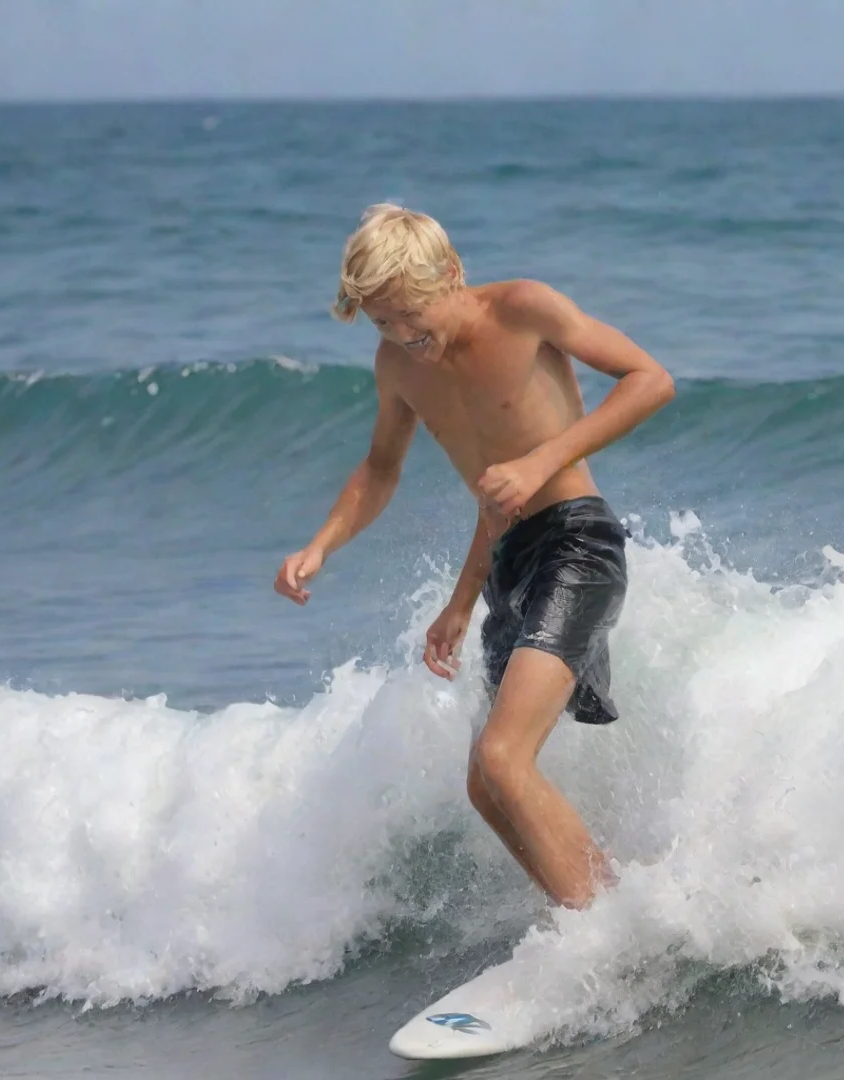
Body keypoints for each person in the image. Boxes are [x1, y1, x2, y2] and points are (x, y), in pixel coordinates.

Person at [273, 204, 675, 909]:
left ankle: (606, 926)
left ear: (450, 274)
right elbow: (380, 470)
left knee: (502, 757)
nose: (403, 337)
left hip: (578, 542)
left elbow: (650, 379)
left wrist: (543, 458)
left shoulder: (523, 309)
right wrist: (326, 547)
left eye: (409, 316)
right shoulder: (397, 365)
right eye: (382, 323)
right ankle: (602, 901)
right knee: (484, 787)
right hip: (508, 559)